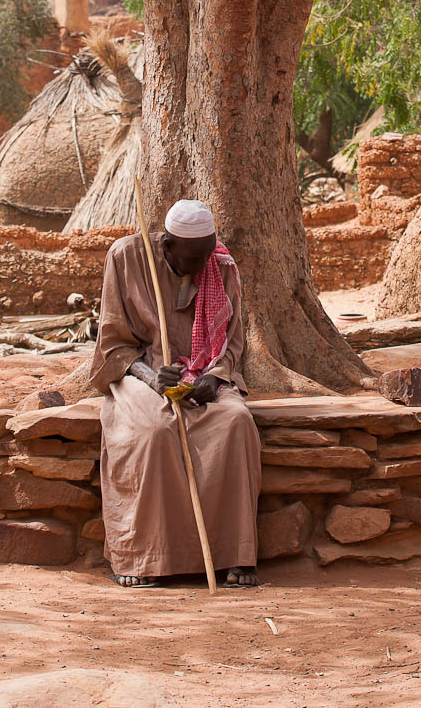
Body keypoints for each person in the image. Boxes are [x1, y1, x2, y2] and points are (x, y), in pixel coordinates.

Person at [90, 198, 262, 588]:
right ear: (167, 245)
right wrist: (153, 379)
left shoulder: (219, 266)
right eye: (192, 260)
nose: (202, 268)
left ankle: (234, 554)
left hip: (205, 373)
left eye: (206, 256)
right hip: (142, 371)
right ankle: (142, 556)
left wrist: (214, 379)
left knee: (235, 423)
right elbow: (112, 346)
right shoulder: (126, 258)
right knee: (152, 432)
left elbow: (232, 343)